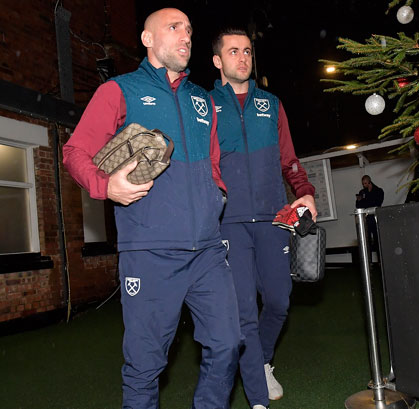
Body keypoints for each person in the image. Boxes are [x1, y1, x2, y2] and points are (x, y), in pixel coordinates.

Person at [62, 8, 241, 409]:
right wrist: (105, 186)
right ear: (147, 39)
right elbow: (75, 151)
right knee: (145, 366)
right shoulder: (119, 91)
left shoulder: (203, 101)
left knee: (228, 345)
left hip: (208, 251)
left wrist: (218, 192)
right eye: (174, 28)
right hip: (150, 251)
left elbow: (212, 161)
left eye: (190, 30)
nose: (186, 37)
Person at [209, 28, 317, 408]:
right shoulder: (205, 106)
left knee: (279, 301)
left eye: (248, 52)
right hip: (229, 223)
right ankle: (258, 398)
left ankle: (262, 360)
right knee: (243, 314)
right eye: (234, 51)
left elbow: (289, 160)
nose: (243, 58)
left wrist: (304, 190)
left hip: (274, 220)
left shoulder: (270, 104)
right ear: (218, 61)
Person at [355, 175, 385, 249]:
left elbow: (377, 203)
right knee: (366, 241)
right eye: (363, 184)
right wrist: (359, 200)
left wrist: (365, 202)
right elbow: (358, 206)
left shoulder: (378, 190)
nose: (364, 185)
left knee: (377, 240)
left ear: (369, 182)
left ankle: (380, 259)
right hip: (366, 219)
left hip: (375, 219)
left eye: (365, 183)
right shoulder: (362, 192)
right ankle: (368, 259)